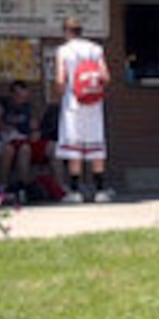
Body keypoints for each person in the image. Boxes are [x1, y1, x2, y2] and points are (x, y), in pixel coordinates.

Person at [52, 15, 111, 202]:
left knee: (73, 146)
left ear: (66, 31)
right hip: (94, 101)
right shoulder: (96, 49)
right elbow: (106, 77)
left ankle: (75, 191)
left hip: (73, 102)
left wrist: (59, 93)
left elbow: (61, 79)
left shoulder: (63, 50)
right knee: (96, 145)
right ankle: (100, 190)